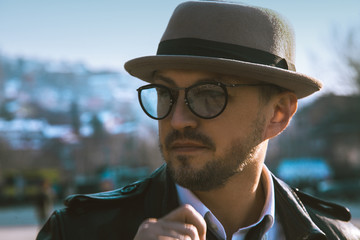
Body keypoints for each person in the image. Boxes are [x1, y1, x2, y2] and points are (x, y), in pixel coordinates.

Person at [36, 1, 360, 239]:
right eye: (165, 93)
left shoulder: (338, 236)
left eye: (210, 95)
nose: (177, 120)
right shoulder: (77, 231)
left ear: (278, 113)